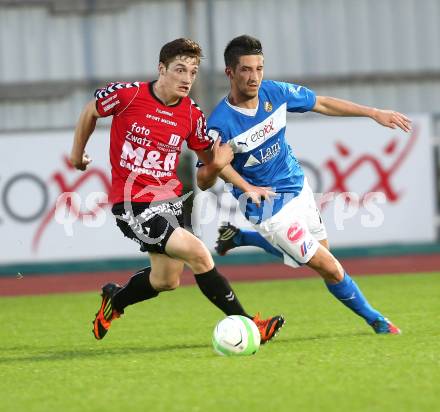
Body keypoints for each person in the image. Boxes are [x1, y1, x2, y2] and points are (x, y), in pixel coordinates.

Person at [70, 38, 284, 342]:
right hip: (132, 204)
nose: (187, 78)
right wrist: (77, 154)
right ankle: (251, 326)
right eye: (180, 69)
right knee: (198, 252)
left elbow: (211, 164)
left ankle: (114, 301)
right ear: (162, 68)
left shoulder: (192, 115)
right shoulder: (128, 96)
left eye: (193, 72)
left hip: (169, 203)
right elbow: (91, 110)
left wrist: (245, 185)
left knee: (166, 280)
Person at [197, 35, 412, 334]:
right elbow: (203, 180)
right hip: (268, 208)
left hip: (298, 187)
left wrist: (374, 113)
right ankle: (377, 320)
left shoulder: (275, 92)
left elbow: (321, 102)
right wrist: (217, 166)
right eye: (246, 69)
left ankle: (241, 239)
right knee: (329, 267)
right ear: (230, 73)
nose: (255, 77)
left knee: (310, 258)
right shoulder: (219, 124)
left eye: (259, 68)